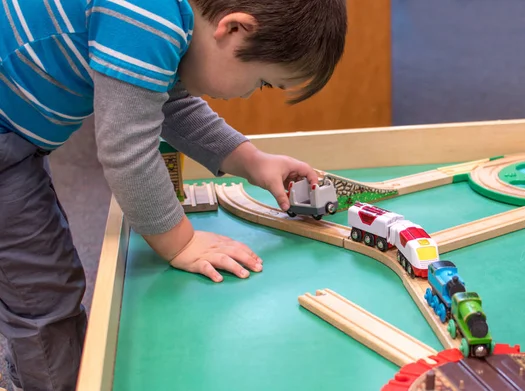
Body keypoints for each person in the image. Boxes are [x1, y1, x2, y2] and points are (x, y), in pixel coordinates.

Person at [0, 0, 347, 389]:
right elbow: (127, 151)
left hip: (15, 137)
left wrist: (253, 162)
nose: (252, 94)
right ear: (234, 29)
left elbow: (166, 104)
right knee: (42, 296)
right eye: (262, 82)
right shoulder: (148, 18)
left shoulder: (163, 18)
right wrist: (180, 243)